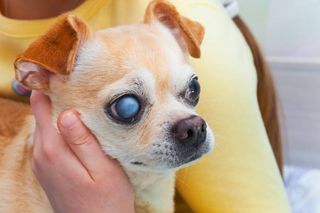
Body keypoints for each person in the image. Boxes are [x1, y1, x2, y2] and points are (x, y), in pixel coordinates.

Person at [0, 0, 290, 212]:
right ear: (40, 74)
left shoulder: (211, 56)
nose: (189, 124)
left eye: (189, 91)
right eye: (127, 108)